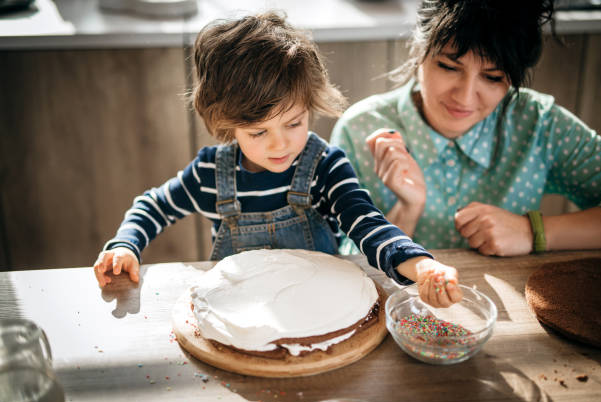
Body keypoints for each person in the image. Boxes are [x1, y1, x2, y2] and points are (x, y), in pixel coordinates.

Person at [93, 12, 463, 307]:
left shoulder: (324, 167)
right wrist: (125, 246)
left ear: (310, 107)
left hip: (320, 307)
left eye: (294, 122)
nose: (280, 144)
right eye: (258, 132)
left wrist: (424, 266)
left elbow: (366, 222)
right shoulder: (210, 173)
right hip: (239, 310)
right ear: (228, 126)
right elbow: (153, 206)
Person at [331, 0, 601, 256]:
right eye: (449, 67)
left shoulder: (540, 125)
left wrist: (534, 232)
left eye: (492, 77)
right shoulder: (360, 129)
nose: (464, 98)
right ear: (419, 50)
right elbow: (346, 267)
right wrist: (406, 210)